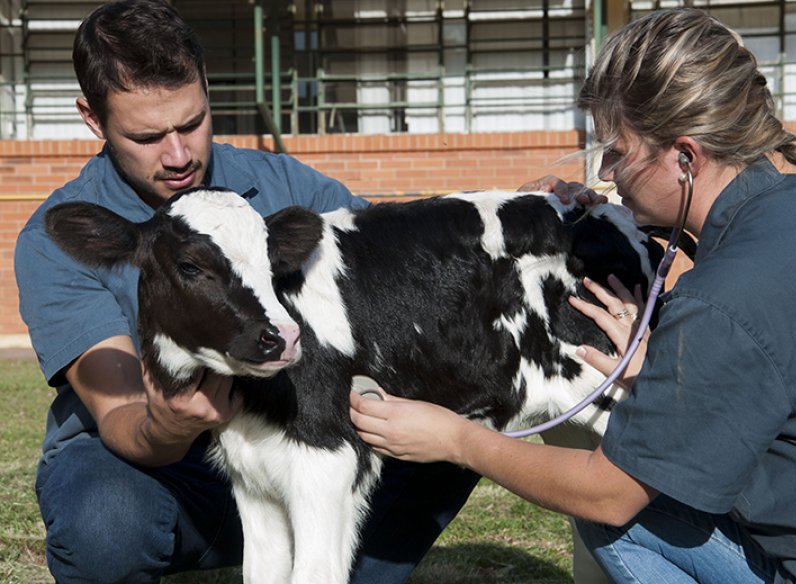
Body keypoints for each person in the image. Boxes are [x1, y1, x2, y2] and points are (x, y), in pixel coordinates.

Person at [350, 8, 796, 584]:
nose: (607, 169)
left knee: (614, 513)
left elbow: (608, 494)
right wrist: (666, 371)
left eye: (617, 151)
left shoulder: (724, 300)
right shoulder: (791, 210)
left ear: (685, 157)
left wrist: (456, 438)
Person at [14, 1, 483, 581]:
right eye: (147, 135)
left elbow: (394, 261)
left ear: (207, 89)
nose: (179, 155)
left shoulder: (281, 184)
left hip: (296, 437)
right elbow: (123, 418)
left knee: (456, 413)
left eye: (192, 122)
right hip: (163, 467)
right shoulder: (61, 237)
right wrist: (171, 423)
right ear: (93, 118)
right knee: (102, 520)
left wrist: (519, 216)